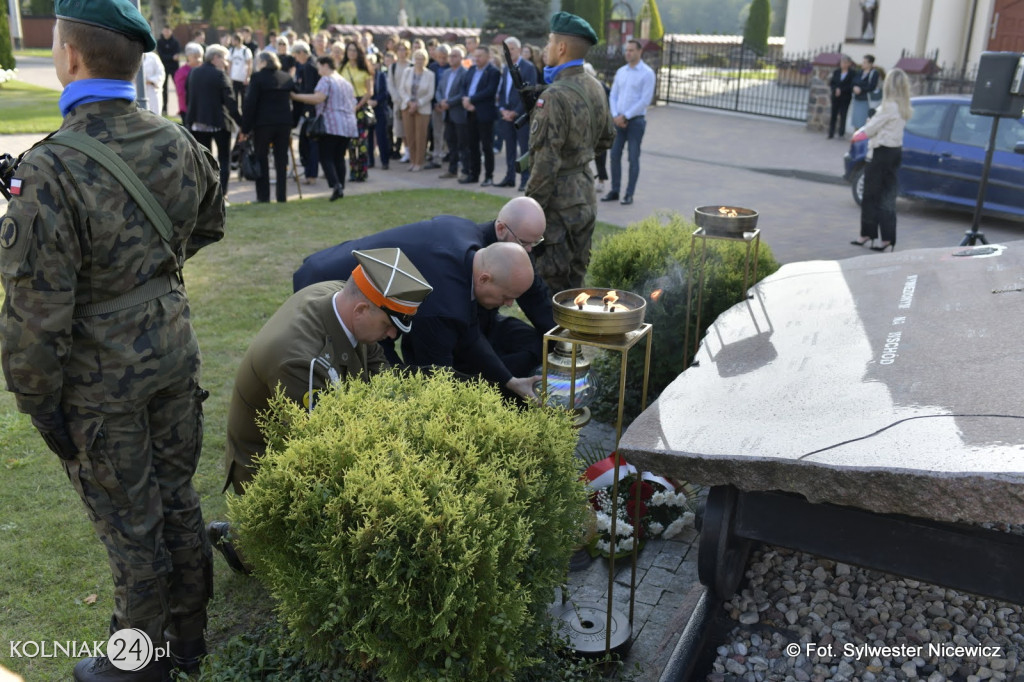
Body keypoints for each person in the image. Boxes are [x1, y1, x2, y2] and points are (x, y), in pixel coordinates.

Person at [0, 0, 225, 678]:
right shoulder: (177, 139)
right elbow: (209, 223)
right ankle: (188, 639)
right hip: (171, 350)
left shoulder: (48, 170)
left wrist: (41, 406)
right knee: (177, 496)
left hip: (103, 382)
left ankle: (137, 658)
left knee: (133, 523)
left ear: (67, 55)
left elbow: (35, 321)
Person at [208, 248, 432, 573]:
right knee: (318, 557)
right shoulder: (300, 362)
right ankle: (239, 541)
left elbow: (372, 361)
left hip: (297, 434)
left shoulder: (338, 298)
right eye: (388, 324)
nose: (393, 335)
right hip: (266, 462)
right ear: (361, 309)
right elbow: (324, 455)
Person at [293, 213, 544, 403]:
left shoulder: (469, 243)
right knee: (351, 385)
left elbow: (470, 336)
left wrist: (509, 381)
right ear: (484, 279)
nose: (510, 304)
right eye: (507, 296)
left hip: (333, 268)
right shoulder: (445, 306)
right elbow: (437, 381)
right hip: (332, 290)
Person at [525, 11, 615, 293]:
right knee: (576, 282)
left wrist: (526, 212)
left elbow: (545, 164)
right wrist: (580, 157)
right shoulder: (595, 86)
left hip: (559, 205)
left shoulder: (554, 96)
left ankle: (557, 339)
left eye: (550, 42)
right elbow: (607, 137)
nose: (547, 48)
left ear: (561, 48)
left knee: (551, 286)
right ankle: (574, 336)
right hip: (585, 194)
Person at [851, 68, 912, 253]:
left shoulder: (888, 106)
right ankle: (887, 238)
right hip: (895, 152)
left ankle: (867, 234)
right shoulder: (904, 107)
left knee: (870, 195)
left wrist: (860, 132)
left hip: (880, 153)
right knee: (888, 196)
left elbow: (870, 129)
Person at [292, 55, 358, 201]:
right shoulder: (345, 82)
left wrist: (296, 97)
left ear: (325, 65)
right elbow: (353, 103)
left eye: (319, 66)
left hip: (332, 123)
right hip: (348, 124)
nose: (318, 70)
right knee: (339, 157)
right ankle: (341, 187)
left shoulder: (326, 80)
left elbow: (318, 98)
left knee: (326, 156)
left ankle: (336, 185)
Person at [601, 38, 654, 206]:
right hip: (618, 120)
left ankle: (629, 194)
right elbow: (613, 95)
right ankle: (615, 190)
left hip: (635, 122)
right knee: (614, 155)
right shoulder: (621, 71)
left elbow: (645, 100)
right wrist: (616, 115)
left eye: (631, 50)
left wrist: (626, 116)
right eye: (626, 50)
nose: (628, 53)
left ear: (639, 52)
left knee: (633, 157)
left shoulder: (647, 73)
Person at [186, 43, 243, 197]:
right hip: (219, 123)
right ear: (215, 58)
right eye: (224, 59)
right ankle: (221, 194)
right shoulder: (219, 75)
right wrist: (242, 124)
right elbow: (231, 102)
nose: (226, 63)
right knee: (224, 159)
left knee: (204, 161)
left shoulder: (194, 73)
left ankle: (206, 195)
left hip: (197, 123)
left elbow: (188, 98)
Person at [242, 51, 295, 203]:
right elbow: (297, 99)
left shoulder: (258, 78)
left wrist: (245, 128)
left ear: (263, 62)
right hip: (284, 123)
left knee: (261, 158)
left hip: (263, 124)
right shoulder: (286, 77)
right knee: (281, 159)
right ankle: (281, 196)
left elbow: (250, 103)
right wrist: (294, 120)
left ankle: (263, 196)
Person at [496, 36, 538, 191]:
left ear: (519, 50)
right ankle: (509, 177)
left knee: (523, 148)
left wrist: (515, 112)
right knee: (509, 148)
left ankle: (525, 180)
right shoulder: (506, 68)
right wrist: (502, 109)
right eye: (506, 49)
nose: (509, 52)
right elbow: (502, 91)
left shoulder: (528, 67)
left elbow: (529, 92)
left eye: (512, 48)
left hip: (521, 116)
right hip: (506, 115)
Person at [460, 45, 500, 186]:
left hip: (484, 114)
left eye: (480, 56)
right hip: (470, 112)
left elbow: (489, 91)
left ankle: (489, 176)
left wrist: (472, 100)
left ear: (488, 56)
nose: (476, 58)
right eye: (475, 56)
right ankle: (474, 174)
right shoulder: (471, 69)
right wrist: (465, 100)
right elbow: (464, 86)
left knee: (486, 146)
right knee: (472, 145)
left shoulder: (493, 72)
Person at [339, 40, 374, 182]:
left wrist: (358, 105)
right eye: (349, 50)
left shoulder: (365, 69)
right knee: (351, 143)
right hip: (346, 106)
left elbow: (370, 91)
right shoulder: (342, 68)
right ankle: (353, 171)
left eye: (354, 50)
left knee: (362, 141)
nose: (351, 53)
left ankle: (363, 171)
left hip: (360, 106)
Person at [398, 48, 435, 172]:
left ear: (426, 60)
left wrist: (417, 104)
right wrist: (409, 102)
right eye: (417, 58)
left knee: (421, 136)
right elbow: (401, 89)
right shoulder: (407, 72)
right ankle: (412, 160)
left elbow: (430, 93)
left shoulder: (430, 74)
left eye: (422, 59)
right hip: (407, 107)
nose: (419, 61)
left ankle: (419, 161)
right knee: (410, 135)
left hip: (422, 109)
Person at [291, 40, 320, 184]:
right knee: (307, 143)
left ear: (302, 53)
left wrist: (295, 91)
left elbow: (309, 89)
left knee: (309, 144)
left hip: (311, 110)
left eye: (296, 56)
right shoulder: (311, 64)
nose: (296, 59)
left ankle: (311, 175)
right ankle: (311, 173)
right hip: (311, 109)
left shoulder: (309, 67)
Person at [437, 45, 467, 179]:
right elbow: (439, 90)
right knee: (450, 142)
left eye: (455, 56)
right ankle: (452, 169)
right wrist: (441, 101)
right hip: (447, 114)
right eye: (450, 56)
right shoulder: (446, 73)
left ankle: (466, 170)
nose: (451, 58)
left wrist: (448, 103)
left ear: (461, 58)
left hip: (458, 113)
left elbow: (463, 93)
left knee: (462, 143)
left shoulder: (465, 73)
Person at [367, 52, 391, 169]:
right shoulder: (365, 76)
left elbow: (385, 93)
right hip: (367, 109)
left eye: (373, 62)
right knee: (368, 137)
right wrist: (367, 102)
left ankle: (384, 161)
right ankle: (370, 160)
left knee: (381, 136)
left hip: (379, 109)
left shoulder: (381, 76)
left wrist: (376, 101)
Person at [389, 40, 411, 161]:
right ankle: (406, 151)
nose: (402, 52)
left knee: (411, 128)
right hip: (398, 103)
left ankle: (414, 151)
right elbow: (391, 85)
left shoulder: (412, 65)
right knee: (401, 128)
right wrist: (397, 99)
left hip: (410, 102)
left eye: (404, 49)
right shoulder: (393, 66)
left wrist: (407, 99)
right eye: (399, 49)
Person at [174, 41, 203, 123]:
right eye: (196, 57)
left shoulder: (202, 69)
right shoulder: (182, 72)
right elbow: (181, 92)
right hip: (187, 108)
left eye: (201, 57)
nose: (199, 60)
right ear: (189, 57)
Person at [828, 55, 855, 139]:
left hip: (845, 97)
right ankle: (831, 133)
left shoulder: (852, 73)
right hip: (835, 96)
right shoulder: (837, 72)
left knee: (843, 114)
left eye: (845, 63)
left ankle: (841, 132)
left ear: (849, 64)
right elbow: (832, 83)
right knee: (833, 114)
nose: (842, 64)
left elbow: (851, 85)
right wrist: (835, 89)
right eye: (842, 62)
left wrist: (841, 90)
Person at [851, 54, 879, 130]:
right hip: (857, 99)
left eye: (865, 62)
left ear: (870, 64)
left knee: (863, 120)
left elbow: (871, 86)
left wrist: (861, 89)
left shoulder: (874, 73)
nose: (863, 64)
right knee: (856, 120)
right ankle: (855, 135)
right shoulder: (860, 72)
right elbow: (854, 81)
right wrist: (854, 87)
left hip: (866, 100)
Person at [156, 25, 180, 113]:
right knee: (164, 89)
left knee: (178, 88)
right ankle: (164, 108)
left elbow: (177, 56)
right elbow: (161, 56)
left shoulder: (175, 42)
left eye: (168, 31)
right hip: (164, 68)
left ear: (171, 31)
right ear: (162, 31)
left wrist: (170, 57)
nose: (166, 32)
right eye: (165, 31)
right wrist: (171, 57)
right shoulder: (159, 42)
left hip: (174, 68)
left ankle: (181, 108)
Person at [227, 32, 253, 107]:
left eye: (233, 40)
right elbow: (230, 64)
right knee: (234, 98)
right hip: (234, 78)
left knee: (244, 98)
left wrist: (247, 77)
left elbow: (249, 64)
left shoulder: (246, 51)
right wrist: (229, 76)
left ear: (237, 40)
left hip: (243, 78)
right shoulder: (231, 50)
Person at [141, 50, 165, 115]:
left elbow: (161, 73)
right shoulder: (133, 57)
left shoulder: (153, 57)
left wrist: (151, 81)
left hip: (152, 90)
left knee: (155, 114)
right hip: (138, 91)